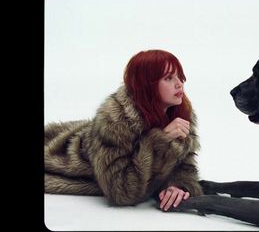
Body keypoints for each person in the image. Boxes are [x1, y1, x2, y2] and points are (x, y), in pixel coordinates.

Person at [45, 49, 203, 211]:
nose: (179, 83)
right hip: (63, 153)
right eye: (168, 78)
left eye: (179, 76)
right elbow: (122, 192)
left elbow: (185, 166)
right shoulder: (115, 122)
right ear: (147, 85)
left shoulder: (180, 114)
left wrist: (177, 186)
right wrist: (158, 141)